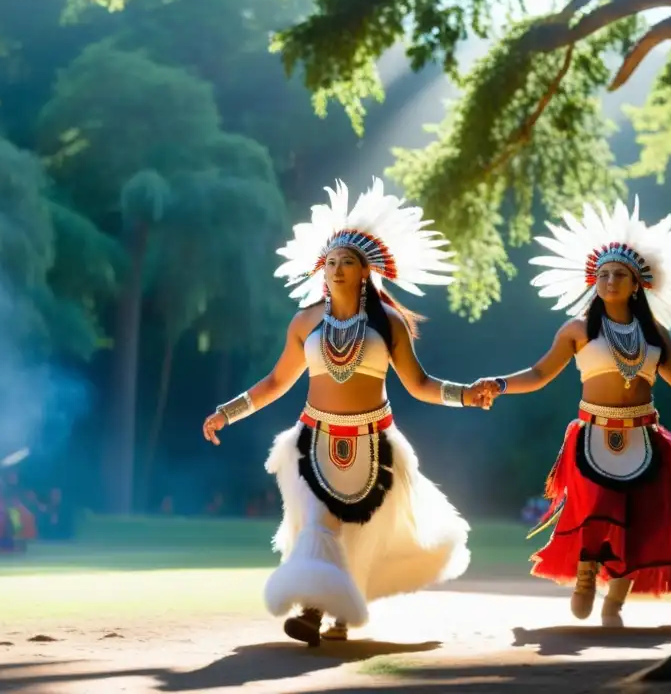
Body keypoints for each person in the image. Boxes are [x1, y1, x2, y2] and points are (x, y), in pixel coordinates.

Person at [202, 178, 489, 646]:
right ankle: (312, 612)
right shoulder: (305, 322)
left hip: (374, 444)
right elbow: (277, 382)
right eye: (331, 261)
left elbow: (419, 385)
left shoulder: (389, 323)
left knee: (357, 533)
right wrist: (227, 413)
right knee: (319, 524)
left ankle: (340, 611)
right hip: (312, 441)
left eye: (347, 262)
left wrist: (465, 394)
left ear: (365, 272)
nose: (337, 269)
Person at [473, 198, 671, 627]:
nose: (609, 280)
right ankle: (586, 572)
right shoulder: (578, 329)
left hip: (646, 439)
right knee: (595, 510)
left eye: (619, 275)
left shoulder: (656, 334)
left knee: (640, 525)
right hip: (591, 435)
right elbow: (539, 373)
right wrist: (499, 384)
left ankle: (615, 602)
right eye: (603, 274)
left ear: (637, 284)